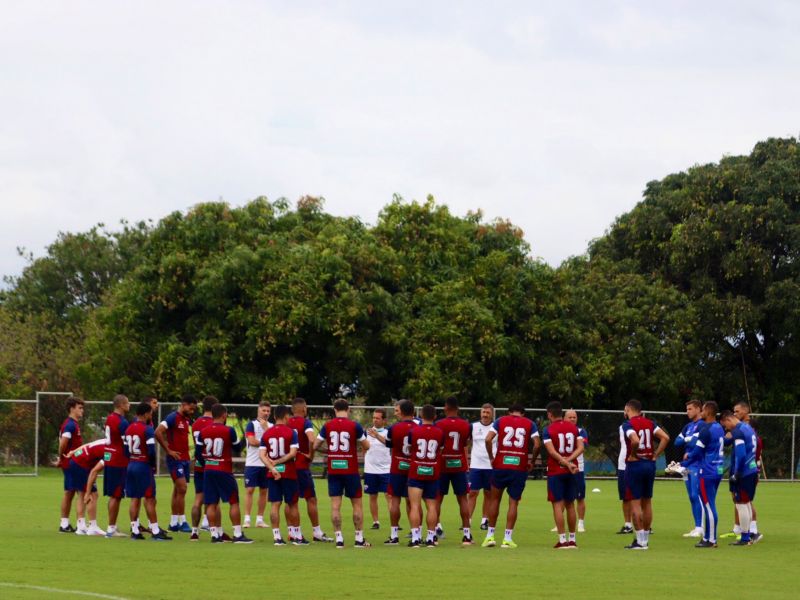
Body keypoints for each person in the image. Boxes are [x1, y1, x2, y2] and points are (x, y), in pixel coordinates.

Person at [481, 403, 540, 549]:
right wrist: (531, 461)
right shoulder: (530, 423)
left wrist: (491, 457)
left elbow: (488, 439)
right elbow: (537, 444)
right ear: (523, 413)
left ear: (509, 412)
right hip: (519, 467)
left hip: (501, 465)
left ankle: (490, 536)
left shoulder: (501, 420)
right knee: (513, 502)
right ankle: (507, 538)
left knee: (494, 500)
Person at [314, 398, 371, 548]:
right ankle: (359, 539)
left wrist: (329, 451)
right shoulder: (354, 426)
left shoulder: (328, 426)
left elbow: (315, 445)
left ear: (334, 410)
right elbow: (367, 445)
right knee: (357, 504)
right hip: (350, 469)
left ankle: (339, 538)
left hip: (334, 469)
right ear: (349, 409)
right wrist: (354, 448)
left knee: (335, 505)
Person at [198, 403, 252, 543]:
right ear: (223, 415)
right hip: (223, 469)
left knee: (211, 503)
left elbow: (198, 454)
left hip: (209, 470)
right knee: (233, 501)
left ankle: (214, 535)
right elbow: (237, 448)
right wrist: (245, 438)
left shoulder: (203, 431)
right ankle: (238, 534)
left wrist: (208, 464)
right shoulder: (229, 430)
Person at [621, 399, 670, 550]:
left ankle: (640, 540)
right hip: (650, 464)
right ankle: (645, 540)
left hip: (636, 464)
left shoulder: (628, 424)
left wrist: (634, 454)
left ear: (628, 410)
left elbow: (635, 440)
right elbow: (666, 438)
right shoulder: (650, 423)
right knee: (647, 501)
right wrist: (655, 454)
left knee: (635, 501)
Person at [287, 397, 332, 542]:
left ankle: (291, 531)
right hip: (301, 466)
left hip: (287, 466)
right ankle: (316, 532)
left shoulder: (286, 423)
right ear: (302, 409)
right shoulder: (305, 422)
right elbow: (312, 440)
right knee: (311, 499)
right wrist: (310, 455)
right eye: (306, 407)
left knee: (290, 501)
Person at [680, 401, 725, 548]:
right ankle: (707, 536)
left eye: (704, 410)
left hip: (707, 471)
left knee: (709, 505)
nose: (702, 413)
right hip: (718, 469)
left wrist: (682, 464)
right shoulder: (719, 427)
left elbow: (697, 452)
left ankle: (711, 540)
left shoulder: (706, 429)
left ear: (708, 411)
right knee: (709, 503)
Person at [125, 401, 171, 541]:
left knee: (135, 498)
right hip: (142, 466)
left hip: (131, 464)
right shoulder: (147, 429)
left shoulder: (128, 428)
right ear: (146, 414)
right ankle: (156, 531)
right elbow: (151, 451)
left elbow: (126, 450)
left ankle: (135, 530)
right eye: (151, 413)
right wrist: (152, 465)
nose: (151, 415)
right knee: (150, 498)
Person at [374, 399, 418, 545]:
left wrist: (377, 436)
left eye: (397, 410)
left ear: (404, 411)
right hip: (414, 468)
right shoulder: (419, 427)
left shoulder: (394, 428)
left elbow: (389, 444)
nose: (395, 413)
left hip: (398, 468)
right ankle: (416, 534)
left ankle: (394, 535)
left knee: (395, 501)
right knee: (414, 503)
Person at [259, 405, 303, 545]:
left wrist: (272, 468)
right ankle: (297, 536)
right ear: (285, 416)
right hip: (289, 472)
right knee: (293, 504)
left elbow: (262, 455)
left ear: (274, 416)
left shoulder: (267, 433)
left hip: (273, 474)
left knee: (275, 504)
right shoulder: (291, 432)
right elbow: (292, 453)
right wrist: (278, 462)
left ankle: (277, 537)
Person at [543, 402, 583, 549]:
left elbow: (552, 452)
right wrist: (570, 461)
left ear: (549, 414)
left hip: (556, 471)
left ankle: (562, 540)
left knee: (557, 505)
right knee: (570, 504)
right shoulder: (574, 428)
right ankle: (572, 540)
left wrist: (564, 462)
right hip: (572, 470)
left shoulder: (548, 430)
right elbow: (581, 448)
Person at [155, 394, 197, 532]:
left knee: (178, 490)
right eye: (190, 408)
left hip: (184, 459)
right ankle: (182, 521)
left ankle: (173, 523)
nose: (192, 411)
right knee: (183, 489)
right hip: (175, 460)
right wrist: (168, 450)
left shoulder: (186, 419)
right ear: (183, 404)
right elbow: (158, 432)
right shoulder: (172, 417)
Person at [434, 397, 472, 544]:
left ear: (446, 407)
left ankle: (434, 534)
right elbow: (465, 443)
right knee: (462, 499)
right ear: (458, 408)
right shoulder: (466, 425)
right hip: (458, 464)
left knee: (437, 499)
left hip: (442, 465)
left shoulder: (439, 424)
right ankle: (467, 535)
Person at [406, 404, 445, 548]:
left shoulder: (414, 431)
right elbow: (439, 451)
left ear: (421, 415)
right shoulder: (440, 432)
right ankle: (430, 538)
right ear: (435, 416)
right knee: (432, 506)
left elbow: (411, 449)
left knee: (415, 505)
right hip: (432, 471)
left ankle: (416, 538)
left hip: (416, 470)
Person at [720, 410, 760, 546]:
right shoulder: (747, 427)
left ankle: (744, 538)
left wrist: (736, 473)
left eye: (725, 425)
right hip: (752, 469)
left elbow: (741, 454)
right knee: (746, 502)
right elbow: (727, 441)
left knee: (741, 503)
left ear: (728, 420)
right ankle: (747, 534)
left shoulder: (738, 431)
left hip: (744, 471)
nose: (726, 429)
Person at [65, 438, 108, 536]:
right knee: (93, 494)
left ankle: (81, 526)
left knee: (81, 494)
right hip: (81, 464)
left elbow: (89, 444)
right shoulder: (110, 450)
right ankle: (92, 527)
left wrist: (74, 452)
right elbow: (94, 471)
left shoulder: (106, 441)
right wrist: (89, 491)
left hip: (75, 460)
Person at [673, 399, 704, 538]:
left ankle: (701, 527)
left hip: (698, 463)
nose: (688, 412)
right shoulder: (688, 426)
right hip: (687, 464)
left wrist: (689, 440)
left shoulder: (703, 425)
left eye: (690, 409)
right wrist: (688, 439)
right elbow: (677, 442)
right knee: (691, 497)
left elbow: (698, 442)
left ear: (698, 409)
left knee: (696, 495)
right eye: (687, 409)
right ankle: (697, 526)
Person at [189, 395, 217, 540]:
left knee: (198, 498)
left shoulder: (195, 423)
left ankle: (194, 531)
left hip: (199, 464)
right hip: (212, 463)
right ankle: (213, 529)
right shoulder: (216, 423)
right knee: (213, 499)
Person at [102, 394, 130, 538]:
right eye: (127, 403)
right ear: (120, 405)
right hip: (119, 460)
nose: (129, 405)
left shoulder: (109, 418)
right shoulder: (122, 422)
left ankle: (112, 526)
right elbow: (127, 445)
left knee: (113, 494)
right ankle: (111, 529)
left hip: (109, 457)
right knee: (116, 495)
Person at [58, 397, 85, 533]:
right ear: (72, 408)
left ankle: (65, 523)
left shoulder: (73, 424)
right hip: (70, 462)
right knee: (71, 492)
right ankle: (65, 524)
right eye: (79, 408)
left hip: (72, 462)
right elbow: (63, 442)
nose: (82, 410)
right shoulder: (70, 425)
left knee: (71, 491)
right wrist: (61, 457)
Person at [243, 400, 271, 529]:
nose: (266, 413)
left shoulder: (271, 426)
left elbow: (273, 442)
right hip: (252, 463)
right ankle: (247, 518)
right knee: (250, 490)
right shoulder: (251, 425)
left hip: (266, 463)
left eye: (268, 411)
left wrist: (266, 431)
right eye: (263, 410)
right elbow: (252, 441)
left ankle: (259, 519)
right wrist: (267, 441)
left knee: (264, 491)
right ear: (258, 411)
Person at [467, 403, 495, 531]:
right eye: (483, 412)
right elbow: (466, 443)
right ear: (480, 413)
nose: (485, 415)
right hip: (476, 465)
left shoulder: (496, 427)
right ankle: (468, 520)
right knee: (472, 493)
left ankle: (485, 520)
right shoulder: (473, 426)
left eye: (487, 412)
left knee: (489, 493)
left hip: (491, 466)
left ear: (492, 414)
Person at [364, 408, 392, 530]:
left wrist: (377, 436)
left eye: (378, 418)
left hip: (386, 469)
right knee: (372, 496)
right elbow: (364, 447)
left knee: (389, 495)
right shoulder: (367, 432)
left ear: (384, 420)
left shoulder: (388, 432)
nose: (375, 420)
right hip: (370, 470)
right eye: (374, 418)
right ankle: (376, 522)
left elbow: (390, 445)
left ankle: (394, 521)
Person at [564, 409, 588, 532]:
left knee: (580, 496)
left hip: (578, 467)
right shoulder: (559, 430)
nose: (573, 419)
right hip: (562, 468)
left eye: (574, 417)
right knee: (562, 496)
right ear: (564, 418)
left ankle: (581, 523)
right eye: (570, 417)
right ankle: (560, 523)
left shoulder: (581, 431)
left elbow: (582, 446)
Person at [615, 420, 633, 535]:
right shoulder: (623, 426)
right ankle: (628, 524)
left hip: (634, 463)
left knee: (641, 497)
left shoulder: (647, 425)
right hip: (623, 465)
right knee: (625, 496)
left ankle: (645, 525)